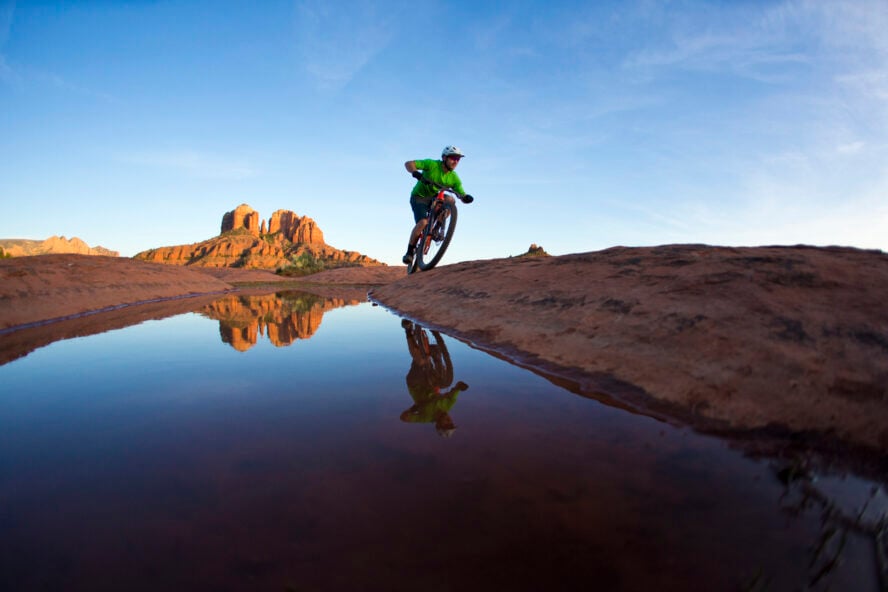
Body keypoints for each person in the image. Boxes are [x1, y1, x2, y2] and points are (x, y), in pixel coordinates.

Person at [402, 145, 474, 265]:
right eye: (453, 158)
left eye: (458, 159)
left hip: (435, 198)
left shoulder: (454, 177)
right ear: (444, 157)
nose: (456, 161)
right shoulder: (432, 164)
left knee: (450, 199)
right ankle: (409, 252)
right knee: (423, 223)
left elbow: (460, 193)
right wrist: (415, 173)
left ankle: (437, 227)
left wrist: (465, 197)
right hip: (419, 197)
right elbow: (409, 163)